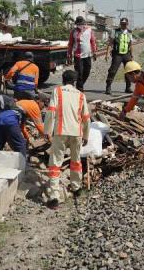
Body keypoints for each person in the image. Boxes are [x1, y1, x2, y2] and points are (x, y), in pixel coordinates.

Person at [44, 70, 91, 208]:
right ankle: (76, 188)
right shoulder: (81, 95)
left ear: (63, 80)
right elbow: (86, 118)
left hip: (60, 131)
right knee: (76, 161)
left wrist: (47, 130)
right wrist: (86, 135)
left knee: (55, 163)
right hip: (77, 132)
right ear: (74, 81)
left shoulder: (57, 91)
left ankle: (54, 197)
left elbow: (51, 111)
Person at [67, 16, 97, 92]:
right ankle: (80, 89)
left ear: (84, 23)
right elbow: (70, 44)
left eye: (82, 23)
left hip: (87, 55)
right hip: (78, 55)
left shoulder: (89, 30)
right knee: (79, 72)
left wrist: (94, 52)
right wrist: (69, 55)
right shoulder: (73, 32)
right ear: (76, 24)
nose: (80, 25)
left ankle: (79, 85)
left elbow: (93, 41)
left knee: (87, 71)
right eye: (79, 24)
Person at [105, 17, 133, 95]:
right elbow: (110, 43)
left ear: (127, 24)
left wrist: (131, 55)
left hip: (127, 54)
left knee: (129, 70)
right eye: (122, 24)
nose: (123, 25)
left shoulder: (130, 32)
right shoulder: (115, 31)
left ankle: (128, 87)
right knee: (112, 71)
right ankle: (108, 87)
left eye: (125, 24)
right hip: (117, 54)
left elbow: (130, 44)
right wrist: (107, 53)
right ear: (120, 24)